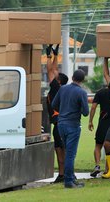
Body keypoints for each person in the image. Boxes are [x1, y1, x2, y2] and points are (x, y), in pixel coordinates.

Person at [52, 69, 89, 188]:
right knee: (70, 154)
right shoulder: (81, 92)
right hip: (73, 125)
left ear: (72, 77)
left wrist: (63, 110)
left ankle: (71, 177)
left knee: (68, 151)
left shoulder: (62, 89)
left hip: (61, 124)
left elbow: (53, 104)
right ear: (83, 80)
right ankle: (68, 181)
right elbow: (85, 112)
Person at [46, 44, 69, 183]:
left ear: (58, 80)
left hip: (60, 124)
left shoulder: (56, 88)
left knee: (62, 151)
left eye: (57, 76)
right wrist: (56, 55)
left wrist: (48, 56)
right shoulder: (60, 86)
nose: (55, 74)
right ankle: (62, 175)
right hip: (59, 125)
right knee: (59, 150)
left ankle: (65, 174)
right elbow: (54, 69)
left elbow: (50, 70)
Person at [88, 87, 110, 177]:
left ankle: (97, 166)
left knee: (98, 145)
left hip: (102, 122)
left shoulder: (100, 92)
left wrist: (90, 121)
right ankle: (107, 169)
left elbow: (93, 107)